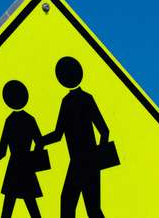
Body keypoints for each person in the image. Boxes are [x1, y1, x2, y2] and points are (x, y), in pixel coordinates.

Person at [40, 56, 109, 218]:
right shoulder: (77, 100)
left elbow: (103, 130)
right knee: (79, 205)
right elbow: (103, 131)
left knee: (78, 205)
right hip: (82, 162)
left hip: (84, 162)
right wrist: (41, 140)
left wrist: (41, 141)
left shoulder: (76, 100)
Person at [0, 80, 43, 218]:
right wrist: (33, 159)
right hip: (26, 167)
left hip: (14, 168)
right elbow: (40, 143)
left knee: (8, 208)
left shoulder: (10, 121)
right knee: (31, 207)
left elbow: (2, 150)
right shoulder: (30, 119)